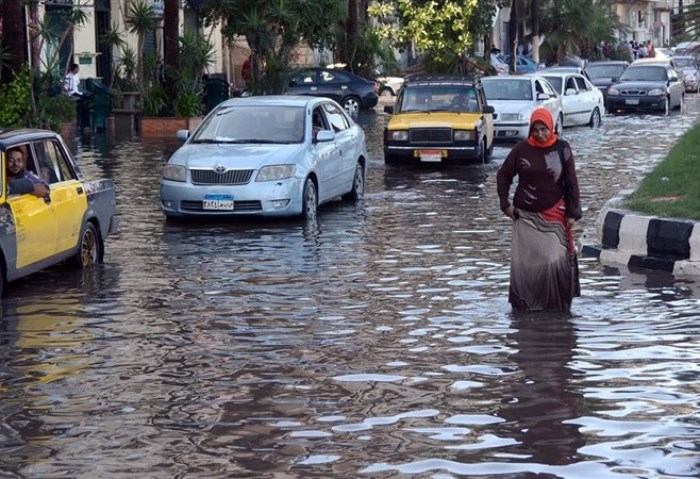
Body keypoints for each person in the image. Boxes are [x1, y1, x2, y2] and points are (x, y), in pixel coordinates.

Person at [496, 108, 582, 312]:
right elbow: (503, 176)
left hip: (554, 215)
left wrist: (572, 213)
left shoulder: (562, 148)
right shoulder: (521, 150)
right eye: (535, 130)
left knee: (553, 259)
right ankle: (528, 306)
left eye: (544, 129)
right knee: (528, 262)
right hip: (524, 217)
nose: (540, 134)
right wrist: (505, 205)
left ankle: (556, 306)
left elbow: (571, 182)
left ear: (551, 127)